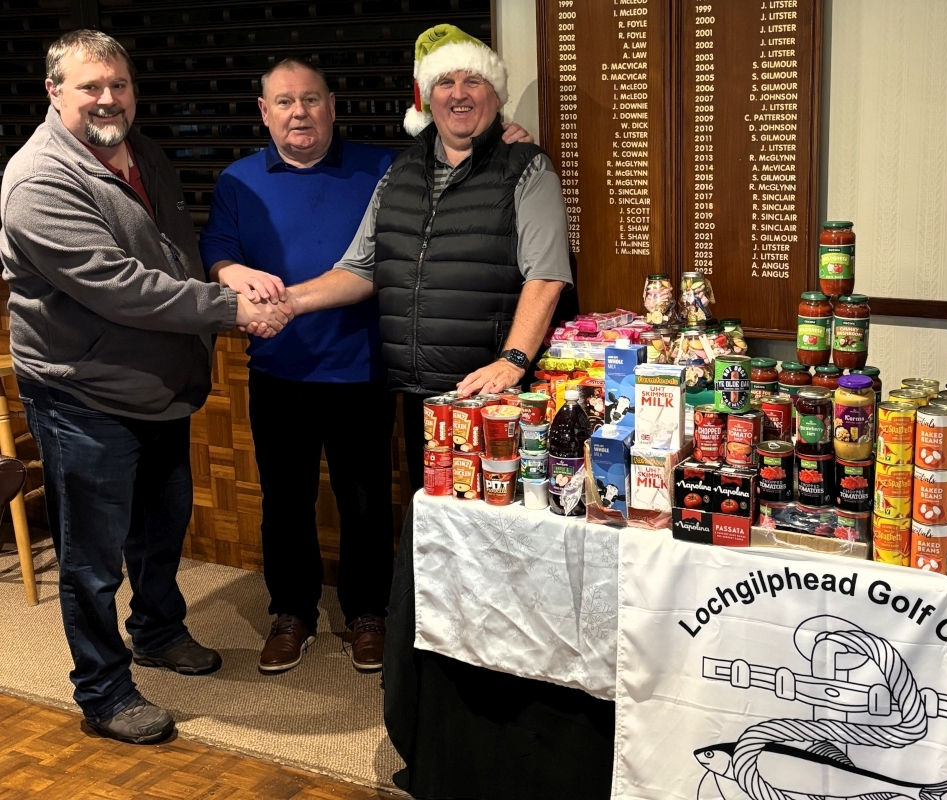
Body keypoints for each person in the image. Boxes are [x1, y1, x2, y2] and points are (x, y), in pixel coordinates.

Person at [0, 30, 289, 745]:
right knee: (91, 561)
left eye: (119, 85)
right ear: (54, 92)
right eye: (90, 86)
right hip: (82, 395)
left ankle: (158, 630)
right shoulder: (38, 179)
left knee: (160, 528)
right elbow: (117, 287)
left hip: (157, 385)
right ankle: (102, 692)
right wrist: (230, 310)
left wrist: (223, 277)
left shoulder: (142, 152)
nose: (108, 98)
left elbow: (176, 250)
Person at [199, 58, 535, 674]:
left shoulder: (385, 167)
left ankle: (368, 614)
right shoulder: (237, 181)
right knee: (286, 500)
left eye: (310, 99)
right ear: (264, 112)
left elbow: (454, 150)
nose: (298, 113)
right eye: (284, 102)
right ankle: (291, 611)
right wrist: (231, 274)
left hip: (364, 370)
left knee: (365, 503)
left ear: (332, 105)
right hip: (278, 369)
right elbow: (218, 249)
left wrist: (504, 133)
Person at [273, 25, 574, 486]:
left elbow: (547, 276)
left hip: (491, 393)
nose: (459, 95)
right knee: (434, 524)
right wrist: (289, 301)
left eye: (473, 81)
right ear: (427, 98)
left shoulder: (528, 167)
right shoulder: (398, 173)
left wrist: (512, 361)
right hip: (420, 397)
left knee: (491, 525)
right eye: (445, 83)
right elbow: (361, 267)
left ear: (495, 94)